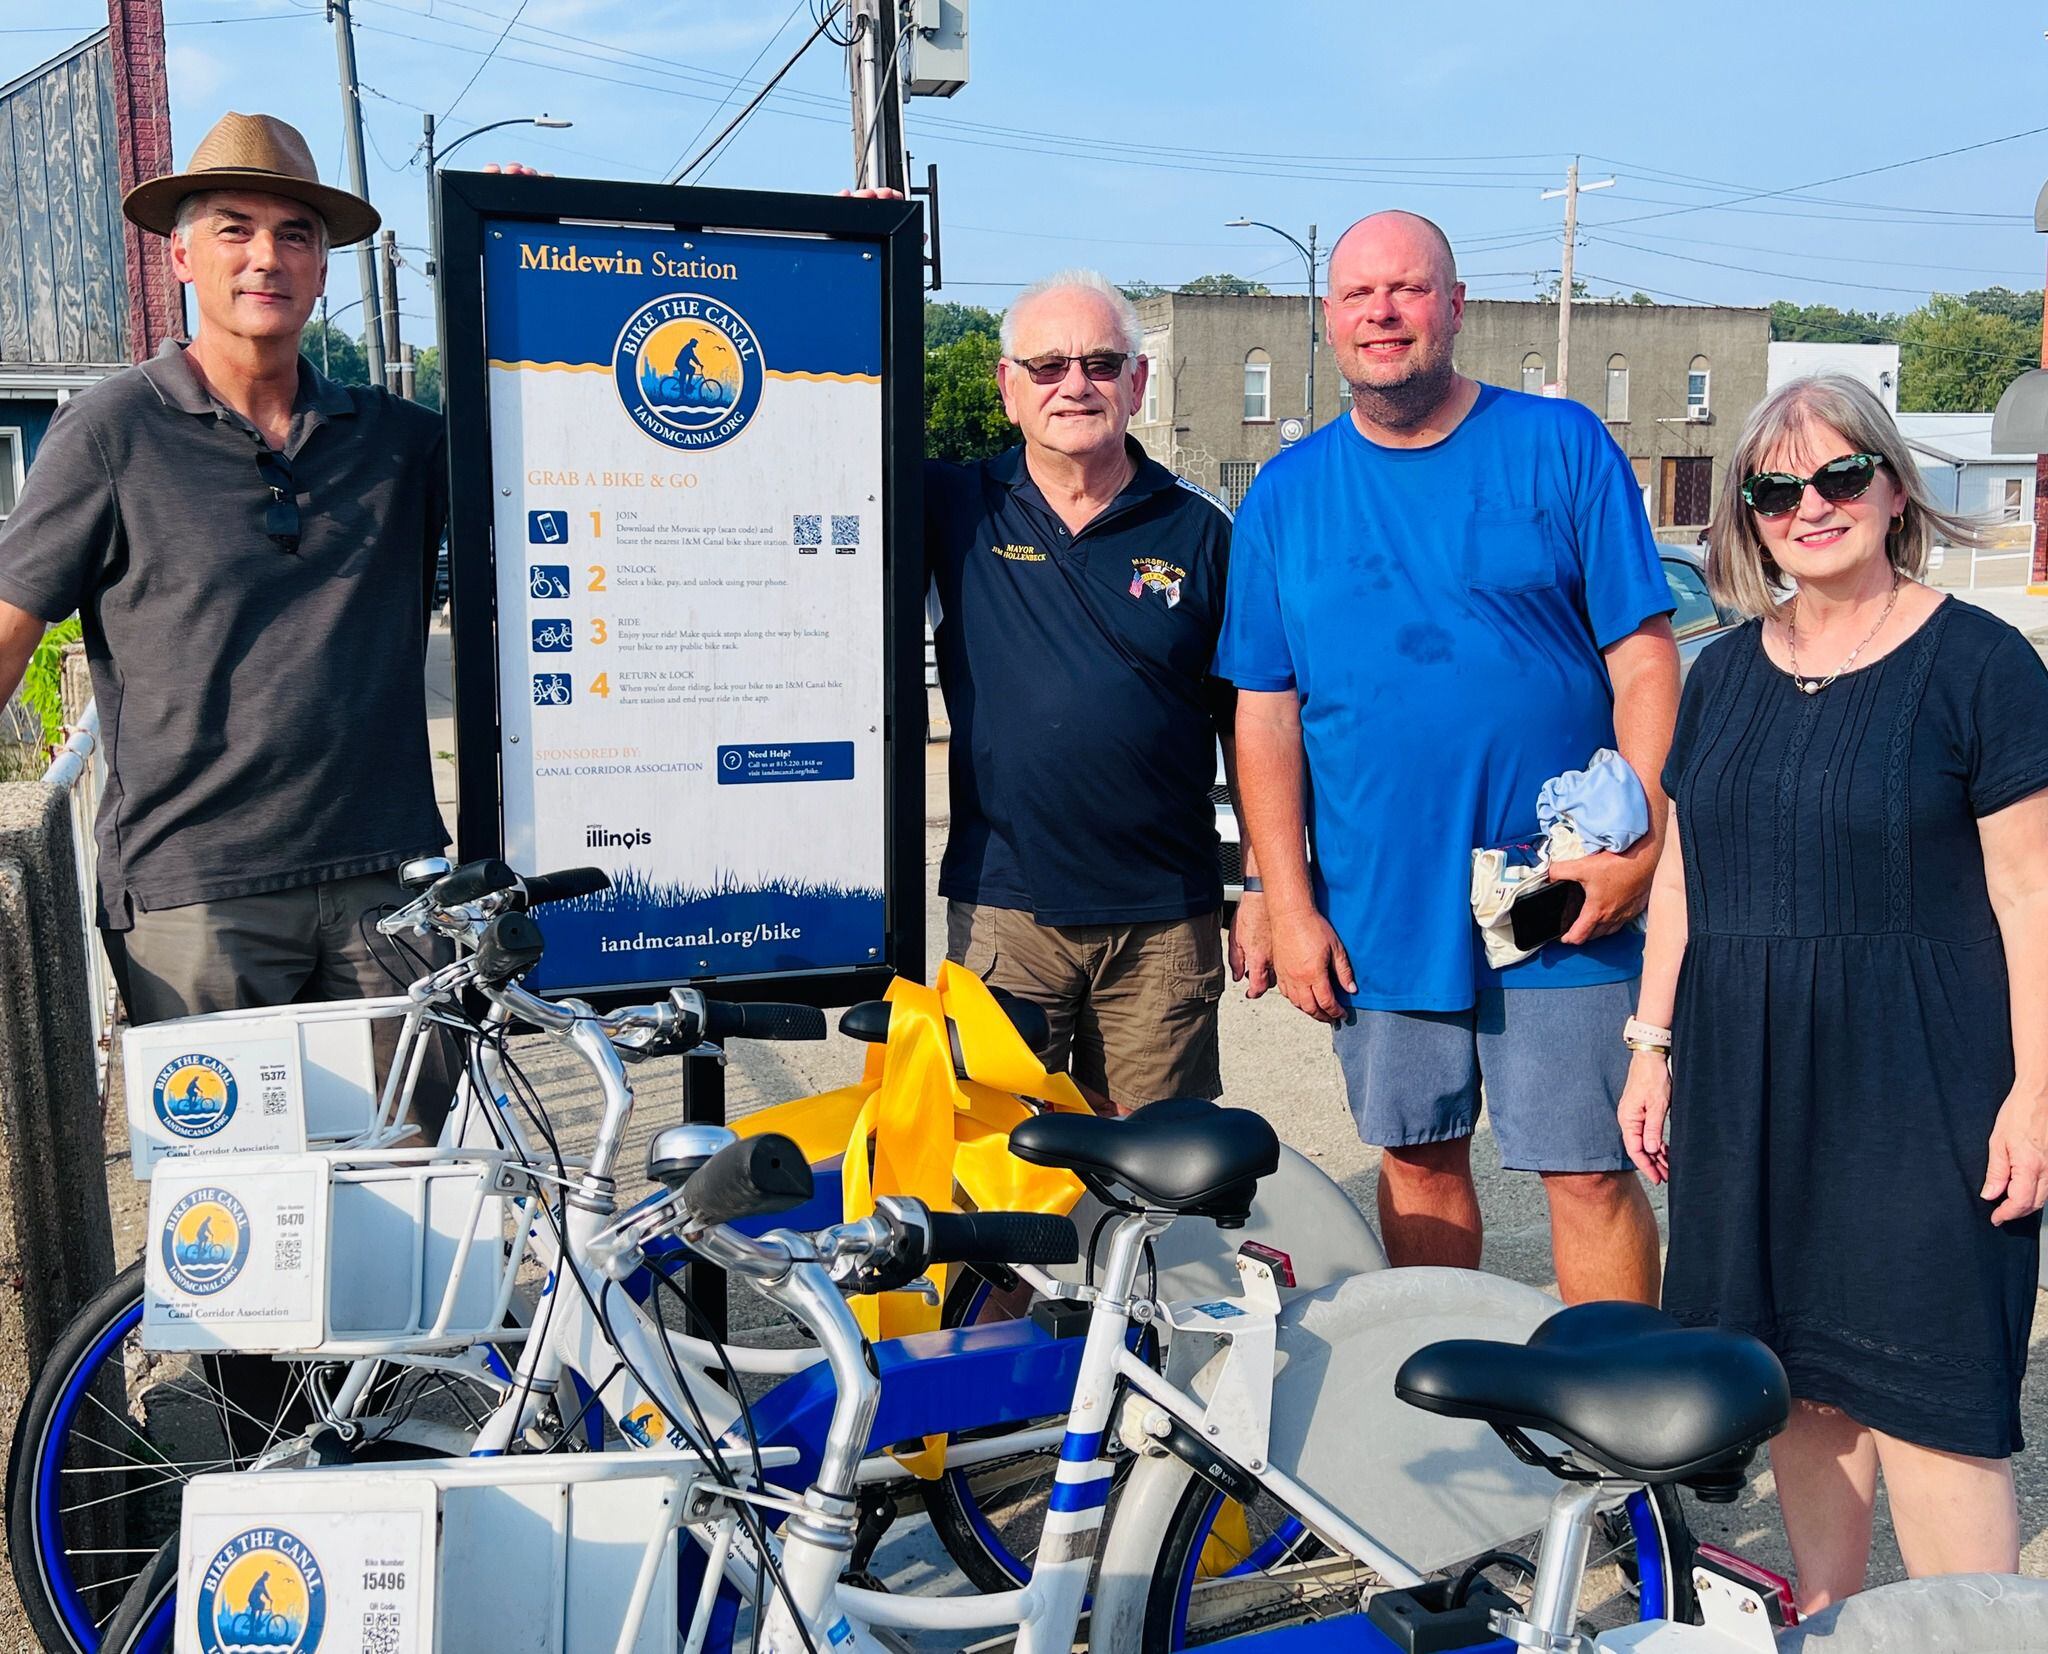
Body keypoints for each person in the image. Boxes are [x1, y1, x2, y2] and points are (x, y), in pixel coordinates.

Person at [1618, 373, 2048, 1610]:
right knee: (1794, 1381)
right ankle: (1834, 1627)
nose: (1809, 505)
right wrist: (1648, 1045)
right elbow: (1689, 878)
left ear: (1892, 485)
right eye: (1773, 488)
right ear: (1745, 517)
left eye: (1836, 475)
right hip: (1744, 1078)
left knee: (1932, 1401)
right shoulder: (1722, 675)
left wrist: (2033, 1091)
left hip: (1923, 1083)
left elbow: (2030, 898)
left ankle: (1970, 1637)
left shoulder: (1980, 663)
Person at [1220, 211, 1678, 1303]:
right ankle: (1459, 1427)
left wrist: (1644, 843)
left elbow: (1645, 664)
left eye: (1408, 289)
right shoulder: (1284, 496)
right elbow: (1264, 714)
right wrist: (1283, 901)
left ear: (1456, 304)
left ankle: (1615, 1442)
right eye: (1357, 295)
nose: (1383, 312)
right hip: (1379, 898)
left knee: (1586, 1167)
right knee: (1417, 1157)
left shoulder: (1560, 446)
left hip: (1560, 890)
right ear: (1328, 321)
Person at [0, 113, 480, 1106]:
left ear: (323, 266)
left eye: (295, 234)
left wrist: (864, 260)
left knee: (410, 1188)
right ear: (181, 253)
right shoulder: (112, 430)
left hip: (389, 885)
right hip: (195, 892)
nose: (266, 256)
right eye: (234, 228)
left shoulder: (398, 443)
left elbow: (581, 440)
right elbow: (10, 626)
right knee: (235, 1212)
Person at [926, 269, 1240, 1114]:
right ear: (1007, 387)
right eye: (1047, 365)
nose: (1075, 384)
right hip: (1006, 913)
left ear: (1137, 383)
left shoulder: (1203, 531)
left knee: (1156, 1178)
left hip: (1165, 921)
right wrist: (857, 252)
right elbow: (815, 433)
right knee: (989, 1172)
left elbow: (1252, 724)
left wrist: (1268, 895)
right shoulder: (952, 507)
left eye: (1102, 363)